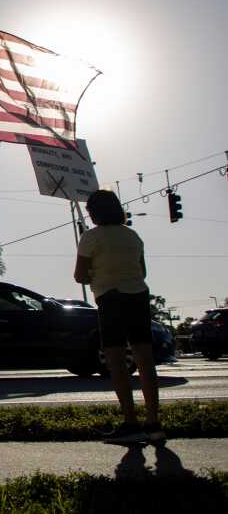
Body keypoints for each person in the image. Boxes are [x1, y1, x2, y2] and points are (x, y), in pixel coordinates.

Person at [74, 189, 164, 444]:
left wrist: (97, 274)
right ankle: (154, 423)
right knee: (145, 361)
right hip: (138, 297)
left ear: (94, 212)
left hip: (110, 298)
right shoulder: (133, 236)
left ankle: (130, 422)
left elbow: (80, 276)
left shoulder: (90, 237)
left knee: (116, 361)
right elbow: (142, 271)